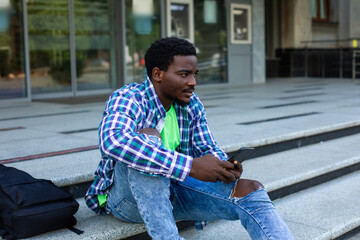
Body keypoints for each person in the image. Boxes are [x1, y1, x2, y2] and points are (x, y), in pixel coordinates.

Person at [85, 37, 293, 240]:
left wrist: (223, 167)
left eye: (194, 74)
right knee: (148, 139)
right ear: (158, 74)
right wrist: (190, 165)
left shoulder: (191, 104)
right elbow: (113, 140)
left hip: (177, 194)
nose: (193, 82)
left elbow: (207, 147)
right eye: (184, 74)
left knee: (251, 190)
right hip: (127, 202)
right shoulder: (129, 97)